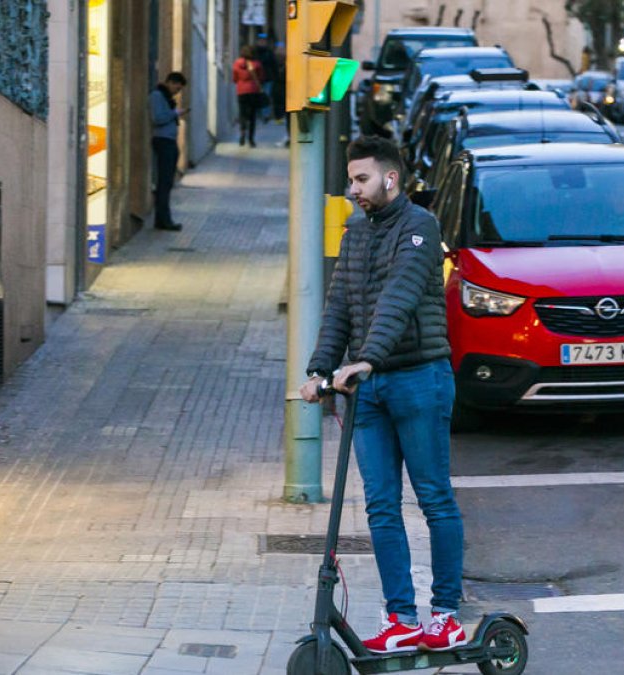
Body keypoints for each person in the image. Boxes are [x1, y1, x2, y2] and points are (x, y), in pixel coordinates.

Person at [299, 136, 465, 654]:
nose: (354, 189)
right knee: (381, 506)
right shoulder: (355, 233)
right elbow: (340, 306)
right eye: (351, 180)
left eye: (362, 179)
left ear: (390, 178)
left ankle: (446, 616)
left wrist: (367, 357)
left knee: (433, 498)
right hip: (368, 390)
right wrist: (320, 369)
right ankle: (402, 618)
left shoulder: (421, 227)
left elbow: (400, 295)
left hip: (419, 380)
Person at [150, 71, 187, 231]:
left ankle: (162, 219)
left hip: (169, 141)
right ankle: (164, 220)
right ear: (170, 82)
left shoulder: (165, 97)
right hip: (163, 141)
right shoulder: (157, 96)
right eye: (176, 88)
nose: (177, 92)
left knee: (167, 182)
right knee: (164, 182)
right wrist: (175, 113)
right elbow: (158, 118)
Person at [232, 45, 265, 147]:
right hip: (253, 91)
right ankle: (251, 139)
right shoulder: (257, 64)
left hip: (241, 92)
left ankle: (242, 133)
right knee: (252, 116)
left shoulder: (237, 63)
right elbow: (262, 77)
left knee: (242, 114)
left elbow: (235, 78)